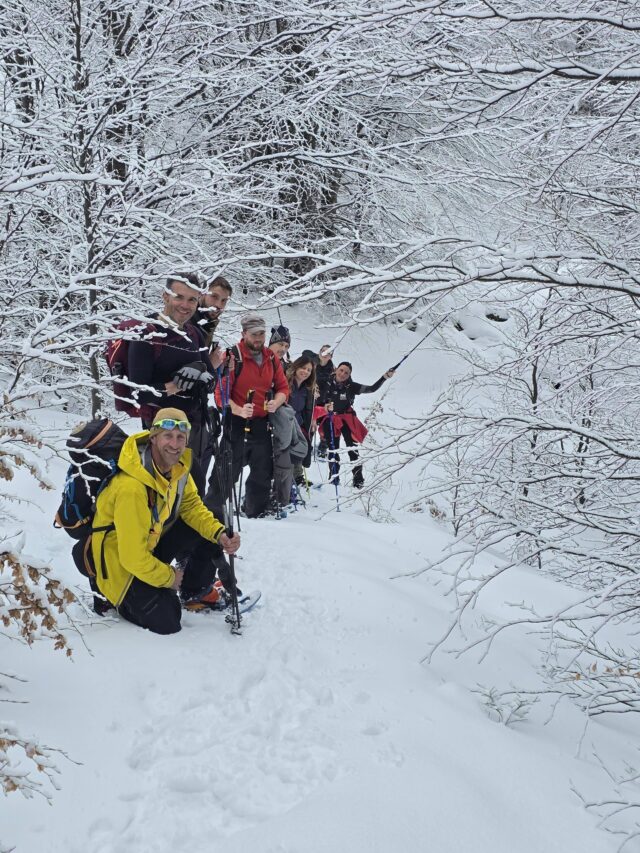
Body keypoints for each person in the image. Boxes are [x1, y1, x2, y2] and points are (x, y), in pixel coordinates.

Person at [88, 409, 241, 635]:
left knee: (214, 516)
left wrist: (219, 534)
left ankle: (194, 591)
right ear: (153, 437)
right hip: (119, 565)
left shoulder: (178, 469)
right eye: (168, 436)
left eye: (181, 437)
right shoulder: (131, 487)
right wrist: (169, 577)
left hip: (147, 544)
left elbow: (191, 507)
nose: (175, 444)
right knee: (168, 620)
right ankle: (107, 594)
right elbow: (132, 557)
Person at [127, 273, 223, 494]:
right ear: (165, 296)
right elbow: (139, 393)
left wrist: (201, 372)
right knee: (167, 495)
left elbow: (210, 381)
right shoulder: (146, 334)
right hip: (163, 434)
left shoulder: (194, 333)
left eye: (192, 300)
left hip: (194, 429)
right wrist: (179, 384)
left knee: (194, 492)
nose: (185, 305)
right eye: (179, 297)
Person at [206, 313, 289, 518]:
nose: (258, 338)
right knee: (226, 471)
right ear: (244, 334)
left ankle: (256, 513)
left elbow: (283, 388)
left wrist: (276, 402)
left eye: (261, 334)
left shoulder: (271, 358)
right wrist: (239, 409)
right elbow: (221, 396)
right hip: (236, 422)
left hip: (261, 422)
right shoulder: (233, 357)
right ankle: (211, 513)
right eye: (254, 334)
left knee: (262, 472)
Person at [316, 361, 395, 488]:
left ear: (349, 375)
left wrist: (384, 377)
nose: (343, 374)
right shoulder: (324, 382)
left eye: (346, 373)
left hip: (346, 418)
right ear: (336, 370)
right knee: (333, 449)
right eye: (341, 370)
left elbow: (371, 388)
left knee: (353, 450)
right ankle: (334, 478)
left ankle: (358, 480)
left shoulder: (351, 386)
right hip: (330, 418)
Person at [286, 356, 316, 486]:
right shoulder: (286, 382)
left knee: (299, 449)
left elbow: (308, 409)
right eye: (303, 368)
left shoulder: (307, 389)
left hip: (299, 424)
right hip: (284, 423)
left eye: (309, 370)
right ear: (296, 366)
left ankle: (297, 477)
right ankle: (281, 480)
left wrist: (312, 421)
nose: (306, 372)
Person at [193, 275, 232, 350]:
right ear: (202, 293)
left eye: (224, 300)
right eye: (214, 296)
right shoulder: (186, 321)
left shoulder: (209, 324)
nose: (219, 305)